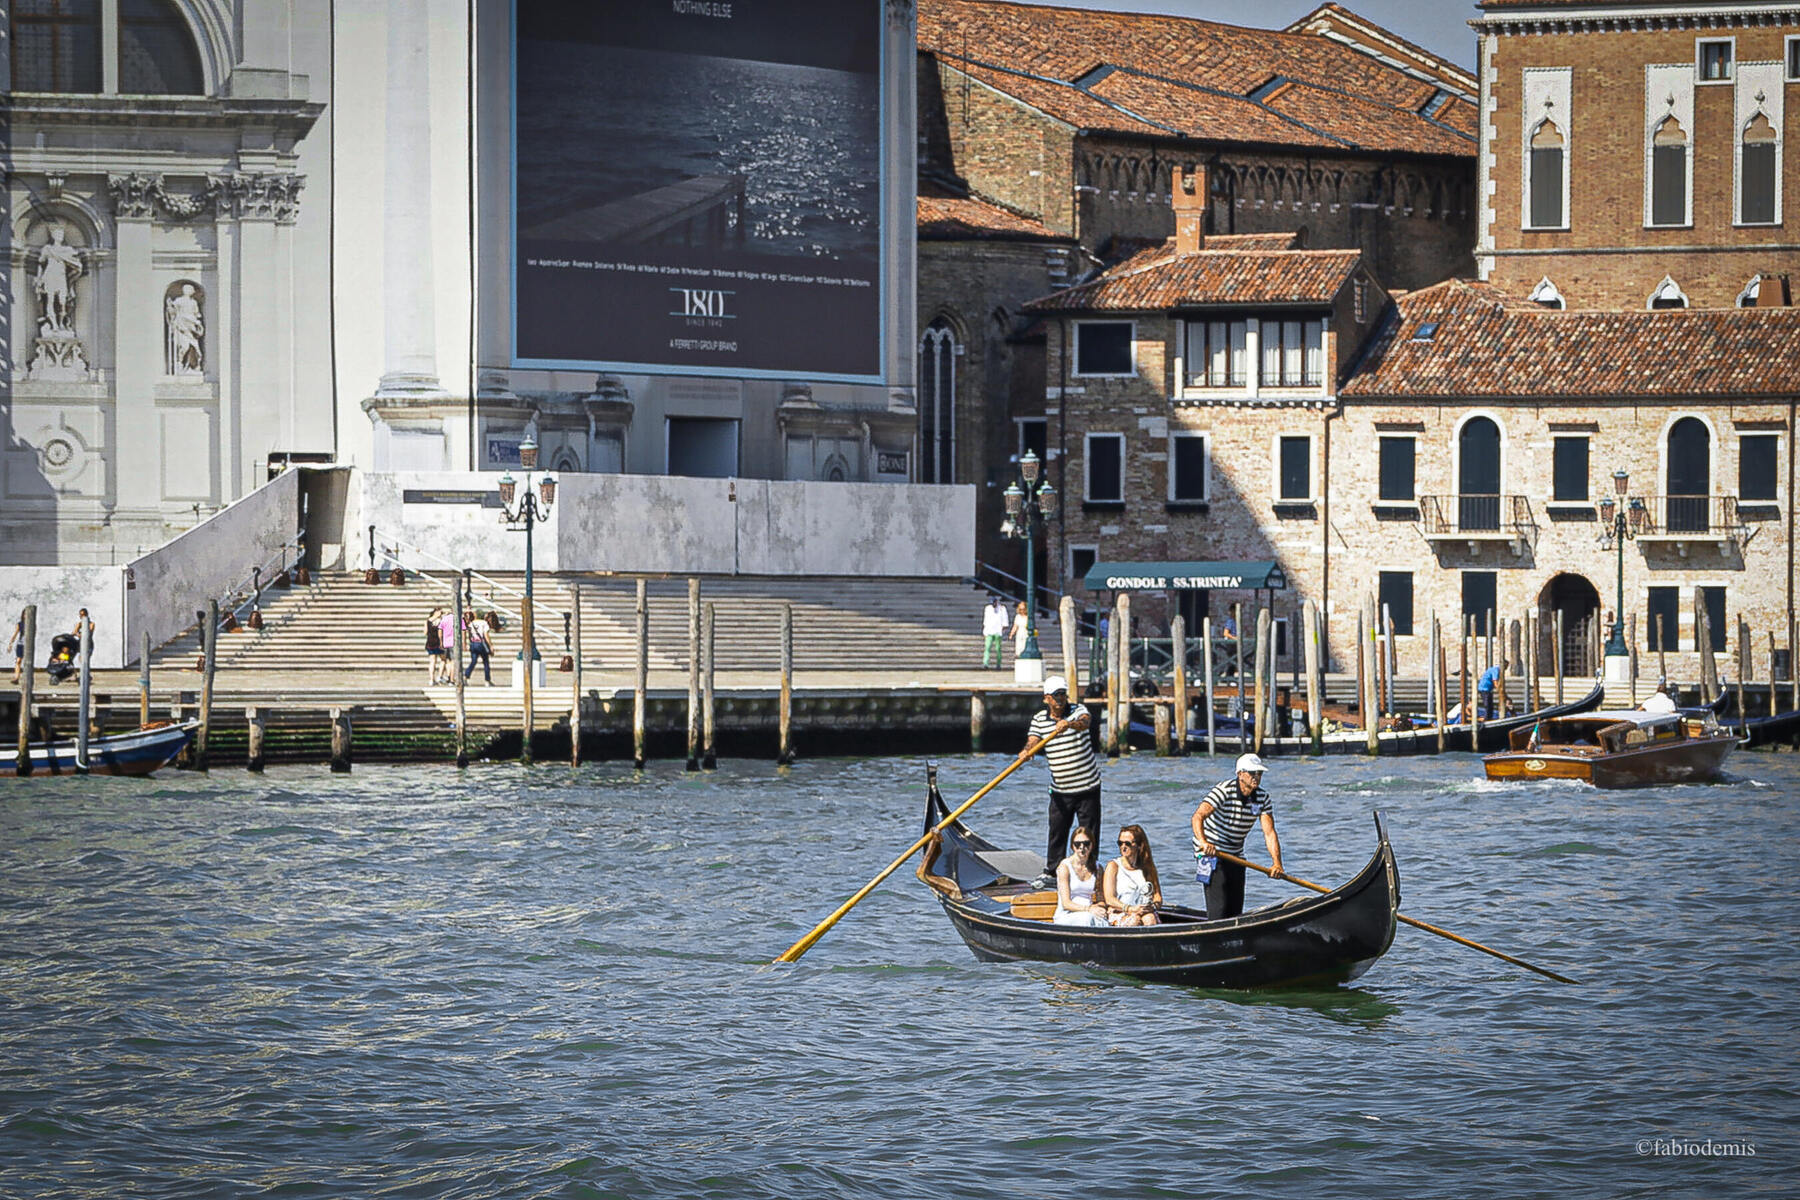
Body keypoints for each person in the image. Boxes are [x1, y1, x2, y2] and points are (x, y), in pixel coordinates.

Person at [1016, 675, 1101, 889]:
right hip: (1060, 790)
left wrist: (1069, 724)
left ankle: (1089, 870)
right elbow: (1033, 740)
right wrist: (1027, 751)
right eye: (1056, 696)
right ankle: (1053, 872)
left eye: (1063, 694)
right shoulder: (1039, 719)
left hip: (1088, 787)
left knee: (1088, 833)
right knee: (1057, 831)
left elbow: (1085, 723)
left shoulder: (1077, 710)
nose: (1061, 699)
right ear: (1046, 698)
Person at [1191, 752, 1285, 919]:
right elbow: (1198, 817)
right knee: (1219, 909)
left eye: (1259, 773)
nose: (1256, 777)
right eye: (1252, 773)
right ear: (1240, 774)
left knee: (1235, 909)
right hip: (1211, 852)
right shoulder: (1224, 790)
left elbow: (1269, 833)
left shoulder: (1263, 798)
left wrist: (1277, 864)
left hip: (1236, 854)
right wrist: (1204, 842)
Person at [1103, 824, 1162, 926]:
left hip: (1143, 911)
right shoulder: (1113, 866)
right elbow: (1109, 899)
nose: (1123, 847)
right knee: (1134, 920)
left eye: (1127, 843)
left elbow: (1158, 897)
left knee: (1150, 918)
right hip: (1120, 911)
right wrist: (1130, 909)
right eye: (1120, 843)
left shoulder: (1147, 867)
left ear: (1139, 845)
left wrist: (1152, 907)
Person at [1052, 826, 1110, 927]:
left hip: (1090, 912)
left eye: (1086, 843)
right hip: (1067, 914)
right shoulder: (1065, 867)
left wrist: (1100, 908)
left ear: (1092, 845)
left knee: (1103, 922)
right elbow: (1066, 903)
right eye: (1077, 844)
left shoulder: (1098, 868)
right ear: (1072, 846)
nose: (1082, 847)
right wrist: (1089, 909)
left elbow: (1101, 898)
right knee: (1087, 919)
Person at [465, 609, 494, 684]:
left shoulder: (472, 623)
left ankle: (466, 675)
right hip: (482, 644)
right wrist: (490, 645)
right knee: (486, 662)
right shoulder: (484, 623)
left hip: (474, 643)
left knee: (473, 661)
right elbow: (486, 635)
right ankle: (487, 680)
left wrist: (469, 643)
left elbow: (469, 634)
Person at [981, 596, 1008, 669]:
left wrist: (1003, 628)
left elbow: (1005, 619)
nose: (993, 605)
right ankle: (985, 663)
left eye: (994, 603)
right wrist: (985, 630)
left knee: (998, 649)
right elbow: (986, 619)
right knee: (987, 647)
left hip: (998, 631)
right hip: (989, 631)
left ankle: (998, 664)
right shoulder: (987, 608)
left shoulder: (1002, 608)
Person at [425, 607, 445, 684]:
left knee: (432, 661)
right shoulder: (441, 621)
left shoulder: (428, 621)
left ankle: (431, 679)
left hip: (430, 642)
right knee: (443, 659)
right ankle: (440, 676)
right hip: (439, 642)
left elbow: (425, 632)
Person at [7, 614, 22, 684]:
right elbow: (15, 633)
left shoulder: (32, 624)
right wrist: (10, 644)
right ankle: (16, 677)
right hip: (20, 644)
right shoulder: (20, 624)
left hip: (28, 645)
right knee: (18, 661)